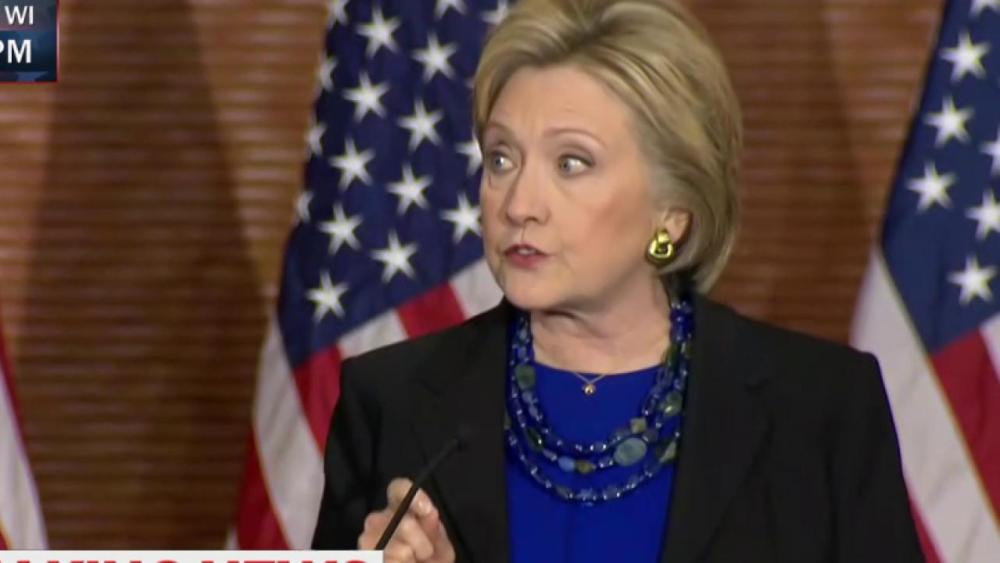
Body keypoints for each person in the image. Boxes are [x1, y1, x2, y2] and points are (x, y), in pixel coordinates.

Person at [311, 0, 924, 561]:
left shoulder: (820, 410)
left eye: (571, 163)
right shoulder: (391, 402)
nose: (519, 203)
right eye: (501, 158)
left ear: (672, 213)